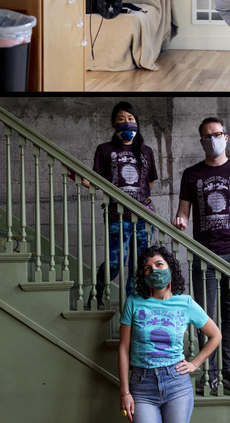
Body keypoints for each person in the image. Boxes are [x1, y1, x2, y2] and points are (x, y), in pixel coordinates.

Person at [171, 117, 230, 395]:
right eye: (207, 135)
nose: (213, 138)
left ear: (226, 137)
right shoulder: (191, 174)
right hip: (203, 258)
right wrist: (180, 220)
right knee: (205, 318)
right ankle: (209, 375)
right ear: (201, 141)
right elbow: (183, 212)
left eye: (218, 133)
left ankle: (228, 374)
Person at [119, 245, 222, 423]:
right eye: (148, 268)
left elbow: (216, 335)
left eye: (159, 265)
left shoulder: (186, 303)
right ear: (143, 275)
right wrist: (125, 392)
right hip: (142, 384)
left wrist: (194, 364)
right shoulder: (133, 302)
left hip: (177, 384)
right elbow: (123, 349)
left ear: (171, 269)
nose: (154, 271)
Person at [82, 102, 158, 310]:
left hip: (143, 217)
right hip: (116, 215)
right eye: (121, 119)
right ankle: (96, 294)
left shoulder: (147, 151)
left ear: (137, 122)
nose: (126, 123)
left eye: (130, 119)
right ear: (113, 123)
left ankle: (131, 305)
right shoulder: (104, 149)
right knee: (115, 262)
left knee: (140, 265)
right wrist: (88, 183)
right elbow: (96, 179)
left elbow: (149, 183)